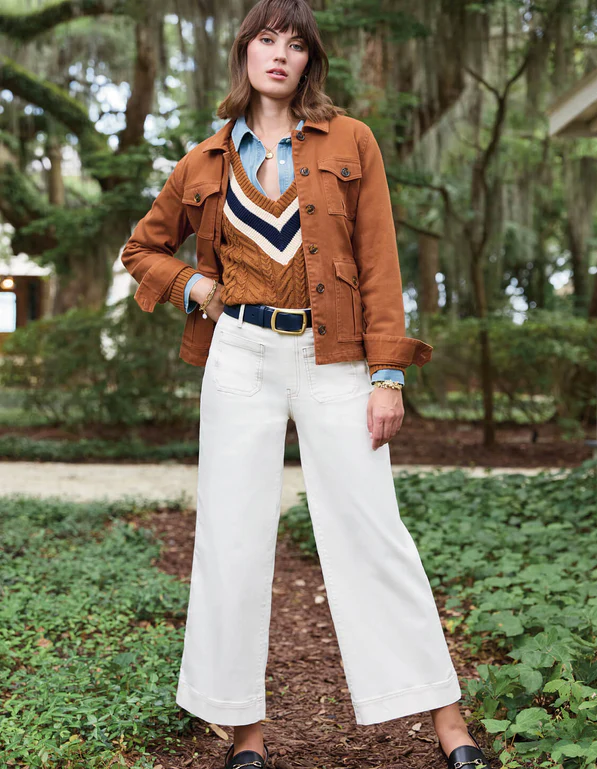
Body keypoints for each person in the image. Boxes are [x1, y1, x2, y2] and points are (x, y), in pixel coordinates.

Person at [120, 1, 492, 767]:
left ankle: (450, 726)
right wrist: (196, 286)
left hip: (337, 358)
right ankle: (246, 738)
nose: (280, 54)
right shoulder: (204, 159)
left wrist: (388, 375)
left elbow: (380, 262)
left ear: (309, 62)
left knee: (374, 531)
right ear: (244, 53)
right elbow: (142, 249)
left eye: (295, 44)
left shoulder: (350, 140)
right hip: (239, 358)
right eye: (266, 39)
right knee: (232, 538)